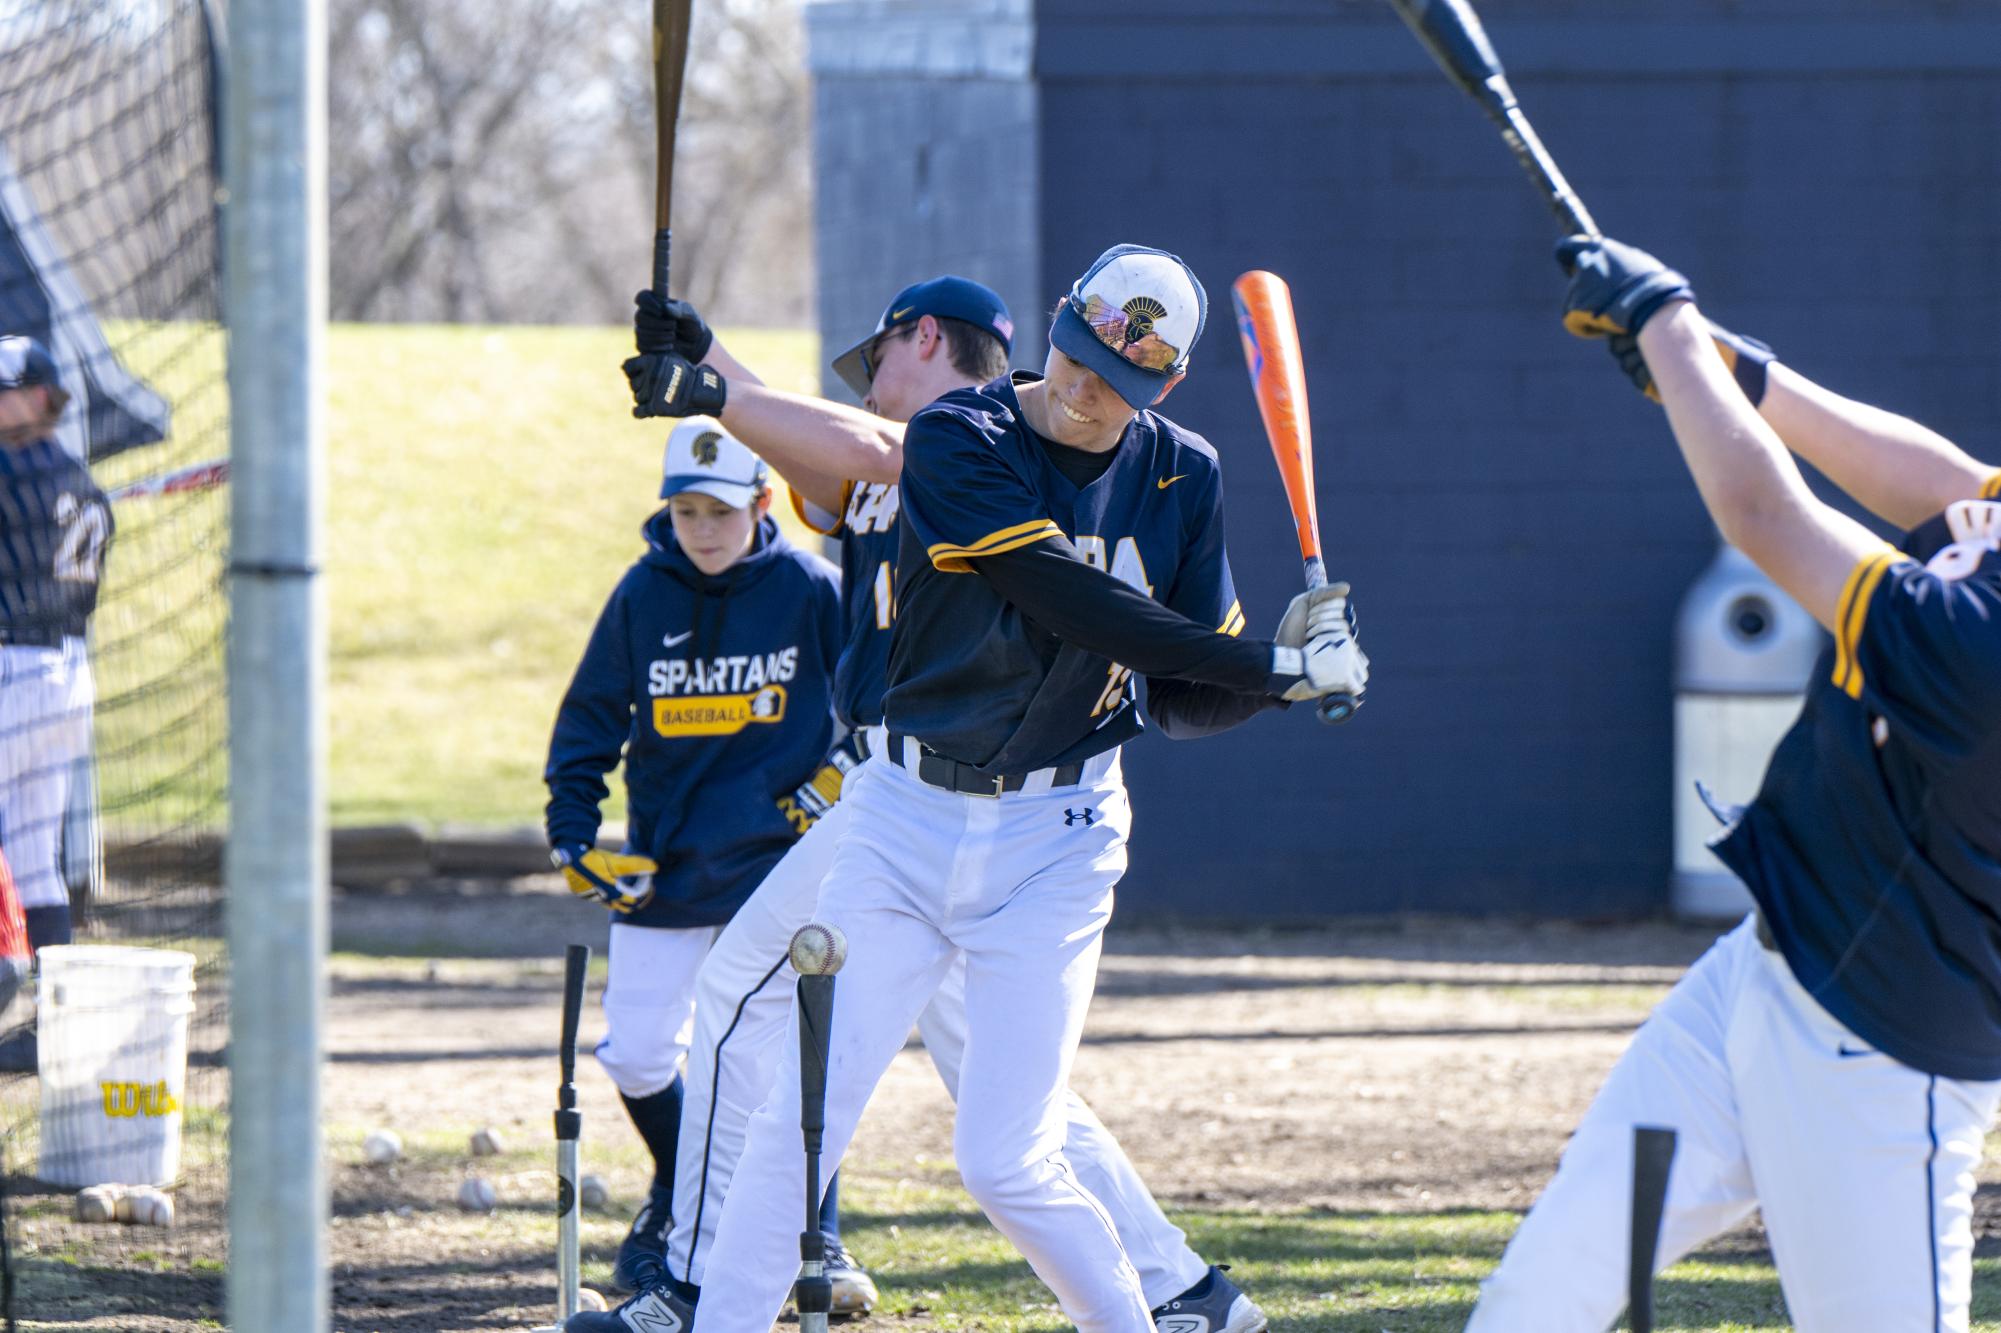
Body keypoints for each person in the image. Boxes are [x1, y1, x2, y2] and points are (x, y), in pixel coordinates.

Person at [584, 243, 1369, 1333]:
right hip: (902, 819)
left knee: (1008, 1158)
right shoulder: (965, 434)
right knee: (800, 1120)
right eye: (1081, 358)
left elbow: (1183, 694)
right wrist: (1266, 669)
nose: (1091, 392)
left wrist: (1284, 670)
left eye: (1122, 382)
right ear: (1058, 327)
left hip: (1060, 833)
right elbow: (1059, 594)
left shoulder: (1184, 472)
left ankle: (1153, 1312)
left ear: (1166, 386)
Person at [1463, 235, 2001, 1332]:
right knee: (1537, 1300)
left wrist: (1665, 322)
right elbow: (1947, 483)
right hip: (1755, 978)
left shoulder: (1977, 650)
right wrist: (1724, 366)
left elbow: (1767, 520)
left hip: (1882, 1055)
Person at [543, 418, 842, 1292]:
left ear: (759, 503)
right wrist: (571, 836)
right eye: (684, 512)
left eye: (719, 510)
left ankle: (818, 1237)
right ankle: (681, 1184)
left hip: (779, 870)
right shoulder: (642, 593)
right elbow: (590, 721)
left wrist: (836, 780)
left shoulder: (810, 588)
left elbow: (875, 698)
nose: (702, 529)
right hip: (667, 865)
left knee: (777, 1065)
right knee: (636, 1054)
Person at [0, 335, 110, 1070]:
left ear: (42, 395)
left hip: (12, 669)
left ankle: (17, 986)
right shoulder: (85, 483)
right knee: (35, 856)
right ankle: (58, 1025)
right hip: (67, 677)